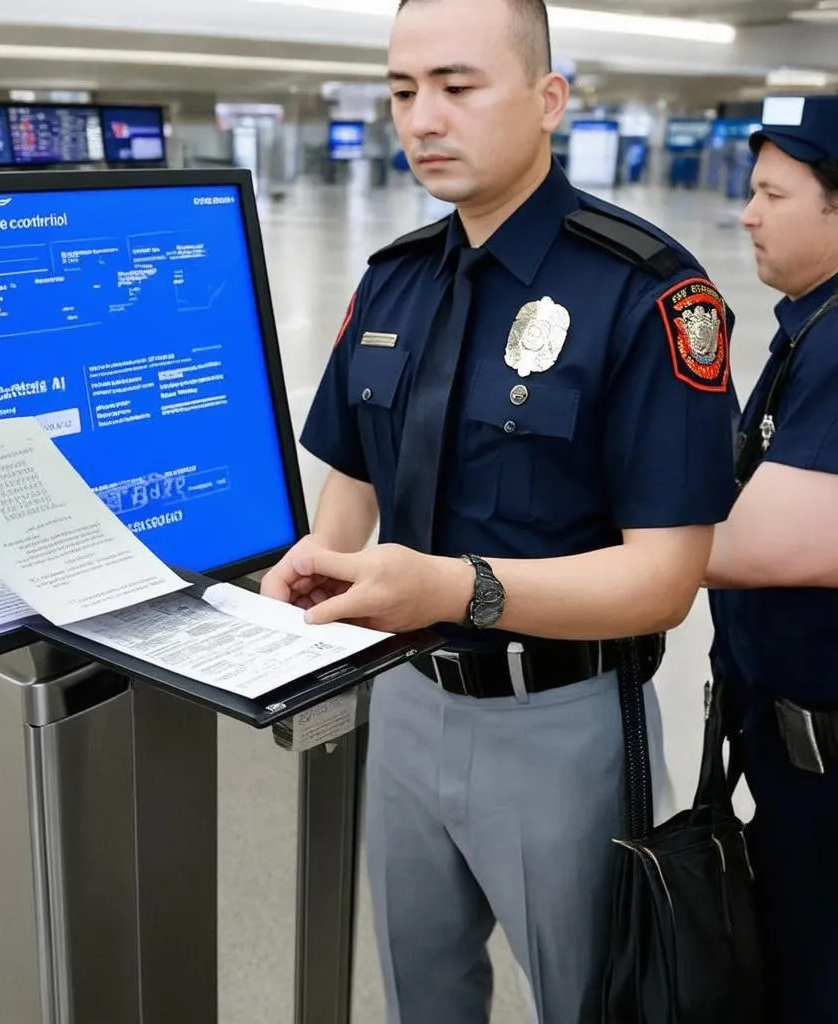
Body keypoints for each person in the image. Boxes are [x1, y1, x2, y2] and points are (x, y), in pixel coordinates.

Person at [261, 0, 737, 1019]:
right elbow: (352, 489)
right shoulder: (391, 283)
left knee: (585, 996)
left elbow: (665, 578)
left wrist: (450, 585)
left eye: (456, 85)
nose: (421, 117)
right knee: (419, 991)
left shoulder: (644, 292)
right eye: (401, 90)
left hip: (558, 724)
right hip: (403, 702)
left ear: (548, 98)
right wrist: (313, 565)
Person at [706, 95, 838, 1023]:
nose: (746, 214)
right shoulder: (808, 328)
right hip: (789, 760)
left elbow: (751, 547)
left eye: (771, 195)